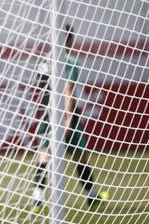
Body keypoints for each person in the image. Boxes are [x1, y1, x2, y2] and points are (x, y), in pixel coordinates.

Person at [32, 24, 109, 214]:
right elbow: (68, 90)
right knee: (79, 155)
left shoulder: (43, 61)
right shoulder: (69, 61)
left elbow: (42, 90)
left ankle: (37, 197)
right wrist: (67, 118)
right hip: (65, 115)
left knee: (44, 154)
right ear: (68, 40)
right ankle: (91, 195)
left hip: (46, 113)